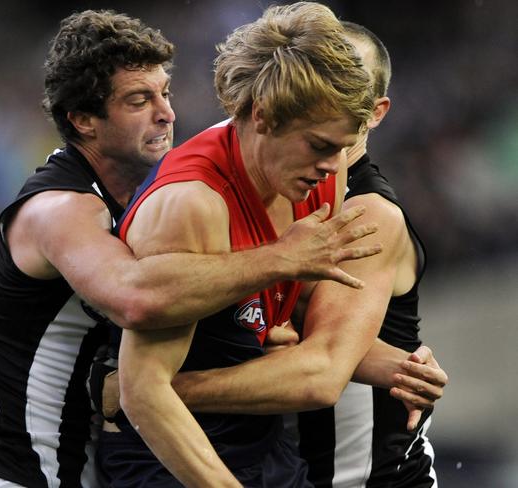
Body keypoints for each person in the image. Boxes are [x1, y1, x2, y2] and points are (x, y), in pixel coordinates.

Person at [0, 8, 392, 488]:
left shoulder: (128, 199)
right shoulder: (63, 210)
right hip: (19, 473)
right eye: (139, 100)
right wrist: (282, 258)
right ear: (83, 120)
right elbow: (139, 298)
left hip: (88, 466)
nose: (167, 113)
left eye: (165, 93)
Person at [95, 3, 446, 487]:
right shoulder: (193, 203)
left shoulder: (321, 171)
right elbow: (141, 395)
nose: (334, 164)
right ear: (263, 115)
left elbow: (295, 318)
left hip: (264, 446)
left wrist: (394, 362)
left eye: (344, 147)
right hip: (170, 457)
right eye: (321, 145)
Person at [294, 21, 439, 487]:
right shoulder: (270, 188)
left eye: (346, 81)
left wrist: (158, 389)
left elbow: (321, 367)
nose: (327, 93)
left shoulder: (366, 214)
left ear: (374, 112)